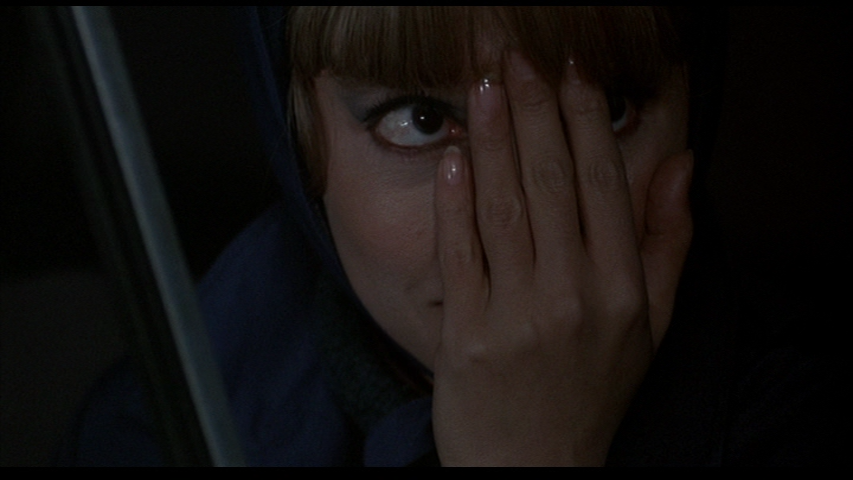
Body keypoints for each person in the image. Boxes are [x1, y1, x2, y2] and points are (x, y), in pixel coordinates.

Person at [61, 6, 839, 466]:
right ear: (301, 150)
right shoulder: (172, 416)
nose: (513, 227)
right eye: (421, 121)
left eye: (604, 114)